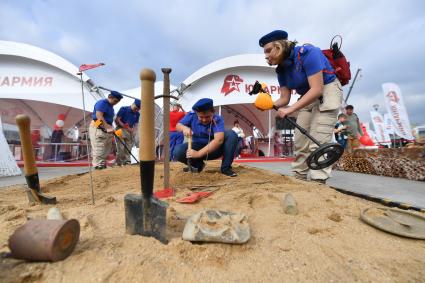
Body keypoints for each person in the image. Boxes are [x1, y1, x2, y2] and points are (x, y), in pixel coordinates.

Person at [259, 30, 343, 184]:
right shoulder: (281, 70)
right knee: (300, 141)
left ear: (279, 45)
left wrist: (290, 110)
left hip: (327, 89)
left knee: (318, 139)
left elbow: (317, 88)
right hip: (307, 97)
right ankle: (299, 179)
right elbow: (284, 99)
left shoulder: (308, 53)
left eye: (268, 50)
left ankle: (318, 181)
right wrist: (266, 104)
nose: (266, 56)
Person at [174, 98, 239, 177]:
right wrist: (184, 128)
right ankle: (198, 165)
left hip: (215, 149)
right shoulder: (191, 115)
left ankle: (226, 168)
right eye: (201, 117)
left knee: (231, 134)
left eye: (208, 117)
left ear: (213, 113)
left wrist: (198, 154)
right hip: (197, 146)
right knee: (178, 151)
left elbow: (219, 140)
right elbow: (178, 126)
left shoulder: (217, 119)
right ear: (196, 113)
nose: (204, 120)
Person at [89, 91, 123, 169]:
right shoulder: (102, 103)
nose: (116, 103)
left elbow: (109, 120)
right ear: (110, 97)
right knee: (99, 146)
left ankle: (102, 164)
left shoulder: (111, 107)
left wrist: (111, 128)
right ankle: (98, 166)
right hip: (98, 126)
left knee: (106, 147)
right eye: (115, 101)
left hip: (105, 128)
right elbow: (99, 115)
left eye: (117, 102)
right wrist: (107, 127)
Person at [115, 99, 140, 166]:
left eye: (138, 109)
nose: (136, 110)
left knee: (129, 147)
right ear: (133, 104)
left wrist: (134, 130)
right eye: (136, 108)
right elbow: (117, 120)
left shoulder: (137, 114)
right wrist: (124, 126)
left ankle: (127, 162)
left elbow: (136, 124)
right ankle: (119, 162)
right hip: (120, 130)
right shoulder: (123, 109)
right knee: (121, 147)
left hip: (130, 132)